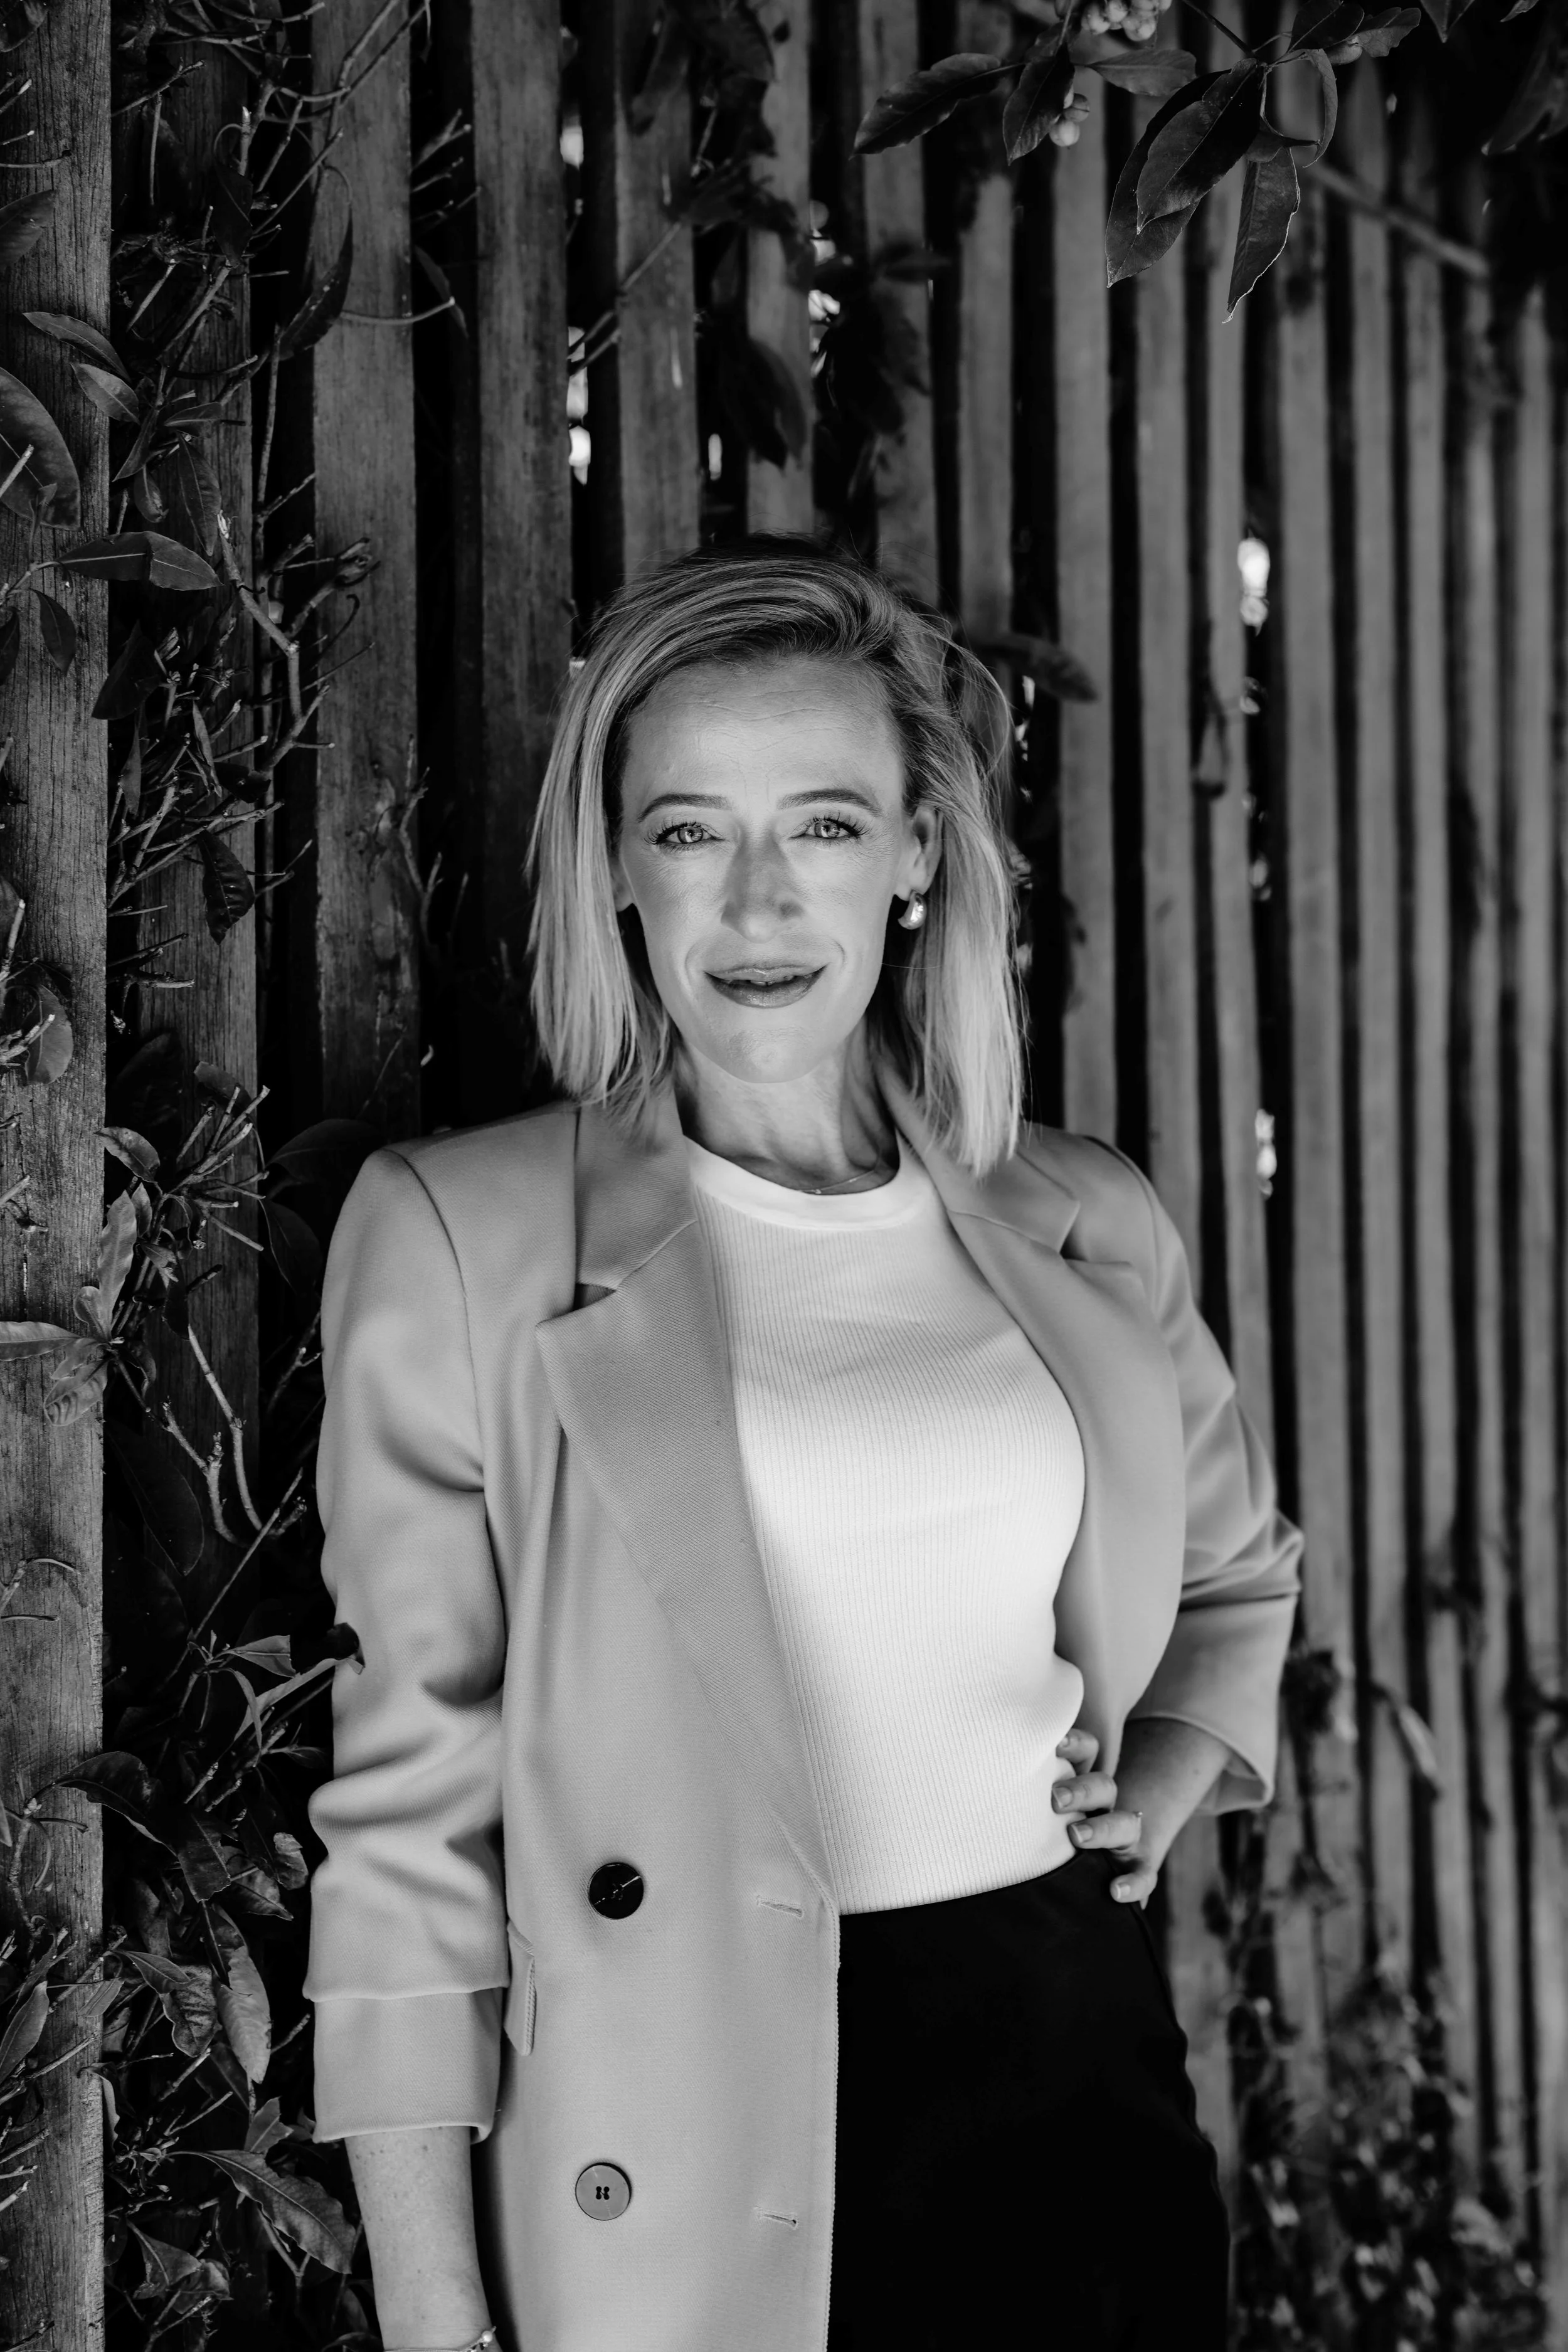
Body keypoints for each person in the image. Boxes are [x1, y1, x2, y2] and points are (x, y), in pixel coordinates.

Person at [303, 540, 1304, 2352]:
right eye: (690, 830)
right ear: (615, 862)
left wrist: (1140, 1807)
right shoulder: (464, 1236)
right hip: (680, 2113)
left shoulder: (1079, 1219)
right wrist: (434, 2317)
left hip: (1064, 2057)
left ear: (919, 849)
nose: (756, 900)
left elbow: (1236, 1577)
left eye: (824, 825)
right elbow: (405, 1814)